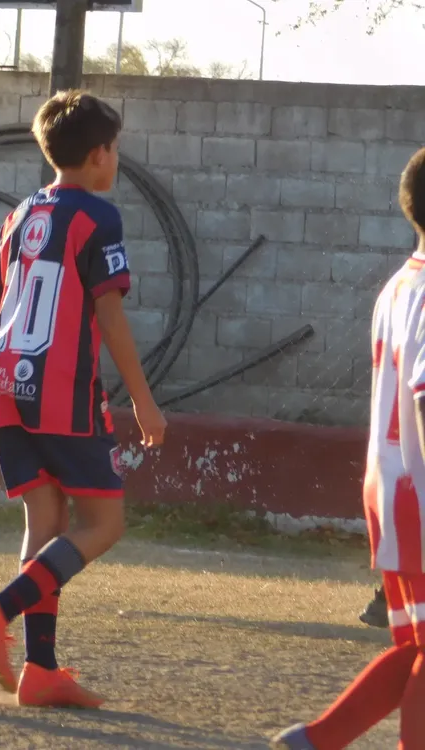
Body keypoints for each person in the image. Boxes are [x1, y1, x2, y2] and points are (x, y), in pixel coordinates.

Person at [0, 90, 167, 709]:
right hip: (61, 389)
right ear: (99, 155)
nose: (117, 159)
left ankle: (40, 670)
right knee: (104, 524)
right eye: (116, 148)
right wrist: (144, 402)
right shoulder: (99, 218)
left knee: (44, 524)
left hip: (4, 380)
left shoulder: (22, 213)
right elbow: (111, 315)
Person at [271, 146, 425, 749]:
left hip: (389, 486)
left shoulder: (399, 285)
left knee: (415, 648)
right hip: (417, 490)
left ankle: (315, 740)